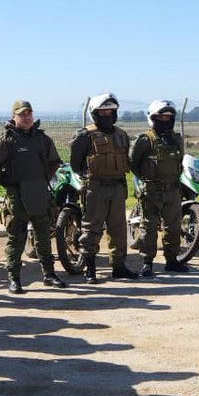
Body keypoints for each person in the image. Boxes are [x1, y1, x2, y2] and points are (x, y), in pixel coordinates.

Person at [0, 100, 68, 293]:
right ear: (14, 117)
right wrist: (8, 184)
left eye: (29, 114)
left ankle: (49, 274)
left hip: (39, 194)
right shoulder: (6, 141)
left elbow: (54, 162)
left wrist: (42, 179)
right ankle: (14, 278)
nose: (26, 117)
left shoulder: (42, 139)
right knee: (16, 238)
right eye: (22, 114)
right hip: (18, 197)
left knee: (43, 237)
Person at [70, 92, 138, 283]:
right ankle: (90, 268)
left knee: (118, 230)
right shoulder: (85, 135)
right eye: (103, 112)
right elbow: (76, 163)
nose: (107, 115)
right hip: (95, 188)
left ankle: (118, 266)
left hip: (117, 188)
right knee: (91, 229)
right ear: (95, 113)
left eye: (110, 111)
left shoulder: (122, 135)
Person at [130, 100, 190, 276]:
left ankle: (171, 260)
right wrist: (146, 180)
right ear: (153, 118)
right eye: (161, 117)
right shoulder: (144, 140)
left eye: (168, 117)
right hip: (152, 192)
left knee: (173, 227)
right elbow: (133, 163)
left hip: (172, 191)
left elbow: (180, 160)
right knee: (148, 228)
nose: (165, 120)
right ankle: (147, 262)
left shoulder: (176, 139)